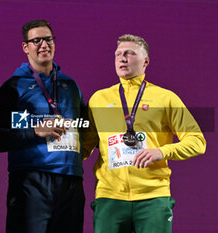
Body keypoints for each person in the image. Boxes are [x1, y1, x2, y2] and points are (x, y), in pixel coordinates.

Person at [82, 34, 206, 233]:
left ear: (146, 61)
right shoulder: (99, 99)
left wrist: (162, 151)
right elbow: (84, 146)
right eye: (118, 54)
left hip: (153, 197)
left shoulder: (165, 98)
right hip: (109, 196)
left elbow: (197, 141)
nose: (122, 58)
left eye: (130, 53)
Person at [0, 19, 86, 233]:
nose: (44, 45)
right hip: (31, 182)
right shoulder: (13, 87)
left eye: (48, 39)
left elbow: (84, 127)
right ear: (25, 47)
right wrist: (35, 131)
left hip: (71, 182)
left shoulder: (70, 86)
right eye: (36, 40)